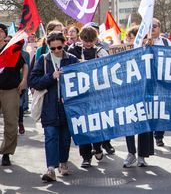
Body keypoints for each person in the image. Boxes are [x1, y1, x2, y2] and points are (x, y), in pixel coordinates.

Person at [29, 31, 79, 182]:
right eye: (53, 48)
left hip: (67, 107)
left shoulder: (72, 59)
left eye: (59, 47)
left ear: (64, 44)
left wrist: (71, 97)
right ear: (49, 47)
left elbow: (81, 80)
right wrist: (51, 77)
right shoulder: (44, 60)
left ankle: (63, 163)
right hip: (49, 105)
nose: (57, 50)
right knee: (51, 136)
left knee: (65, 138)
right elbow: (33, 81)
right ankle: (51, 168)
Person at [67, 26, 112, 167]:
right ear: (81, 38)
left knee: (96, 123)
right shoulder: (73, 51)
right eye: (85, 40)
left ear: (95, 39)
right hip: (79, 95)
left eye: (91, 41)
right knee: (82, 126)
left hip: (97, 95)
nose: (88, 44)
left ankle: (98, 146)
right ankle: (85, 156)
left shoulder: (101, 51)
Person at [0, 23, 28, 166]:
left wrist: (24, 80)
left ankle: (6, 152)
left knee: (11, 122)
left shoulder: (12, 48)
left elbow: (24, 65)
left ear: (5, 34)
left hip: (10, 90)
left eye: (0, 32)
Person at [143, 18, 171, 147]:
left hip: (162, 79)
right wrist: (146, 47)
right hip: (147, 80)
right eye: (150, 26)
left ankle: (159, 135)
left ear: (159, 28)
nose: (152, 28)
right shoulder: (141, 42)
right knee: (149, 108)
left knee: (162, 107)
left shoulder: (166, 42)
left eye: (155, 26)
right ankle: (148, 136)